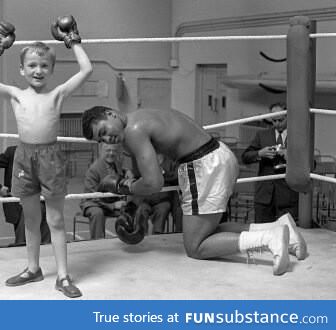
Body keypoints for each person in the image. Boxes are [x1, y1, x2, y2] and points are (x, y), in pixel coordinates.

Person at [81, 106, 307, 276]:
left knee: (196, 246)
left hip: (203, 165)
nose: (106, 138)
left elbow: (153, 183)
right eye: (100, 139)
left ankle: (270, 239)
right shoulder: (139, 116)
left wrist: (121, 186)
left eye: (103, 130)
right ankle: (281, 228)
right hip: (217, 155)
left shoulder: (133, 132)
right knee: (209, 229)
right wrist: (132, 202)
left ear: (111, 114)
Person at [0, 16, 92, 298]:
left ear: (51, 69)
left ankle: (63, 276)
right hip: (25, 157)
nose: (38, 71)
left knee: (56, 220)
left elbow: (87, 69)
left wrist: (73, 41)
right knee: (29, 218)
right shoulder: (15, 94)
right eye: (32, 65)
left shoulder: (57, 95)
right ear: (22, 69)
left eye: (43, 66)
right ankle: (32, 268)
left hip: (51, 157)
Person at [241, 102, 299, 223]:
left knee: (289, 235)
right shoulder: (262, 135)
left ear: (288, 117)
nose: (277, 124)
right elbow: (245, 157)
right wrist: (259, 154)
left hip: (288, 197)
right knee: (261, 235)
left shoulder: (298, 136)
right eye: (274, 121)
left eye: (280, 120)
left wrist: (291, 157)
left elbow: (311, 165)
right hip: (264, 197)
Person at [0, 146, 51, 246]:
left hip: (43, 204)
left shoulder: (46, 152)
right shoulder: (13, 152)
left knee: (47, 244)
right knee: (23, 244)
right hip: (20, 207)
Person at [79, 143, 132, 239]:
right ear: (101, 151)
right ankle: (98, 244)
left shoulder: (116, 164)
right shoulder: (94, 170)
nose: (111, 153)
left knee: (131, 209)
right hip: (93, 202)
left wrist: (127, 171)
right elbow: (92, 197)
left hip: (110, 201)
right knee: (97, 213)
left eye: (114, 151)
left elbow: (118, 172)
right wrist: (113, 205)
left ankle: (130, 239)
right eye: (108, 150)